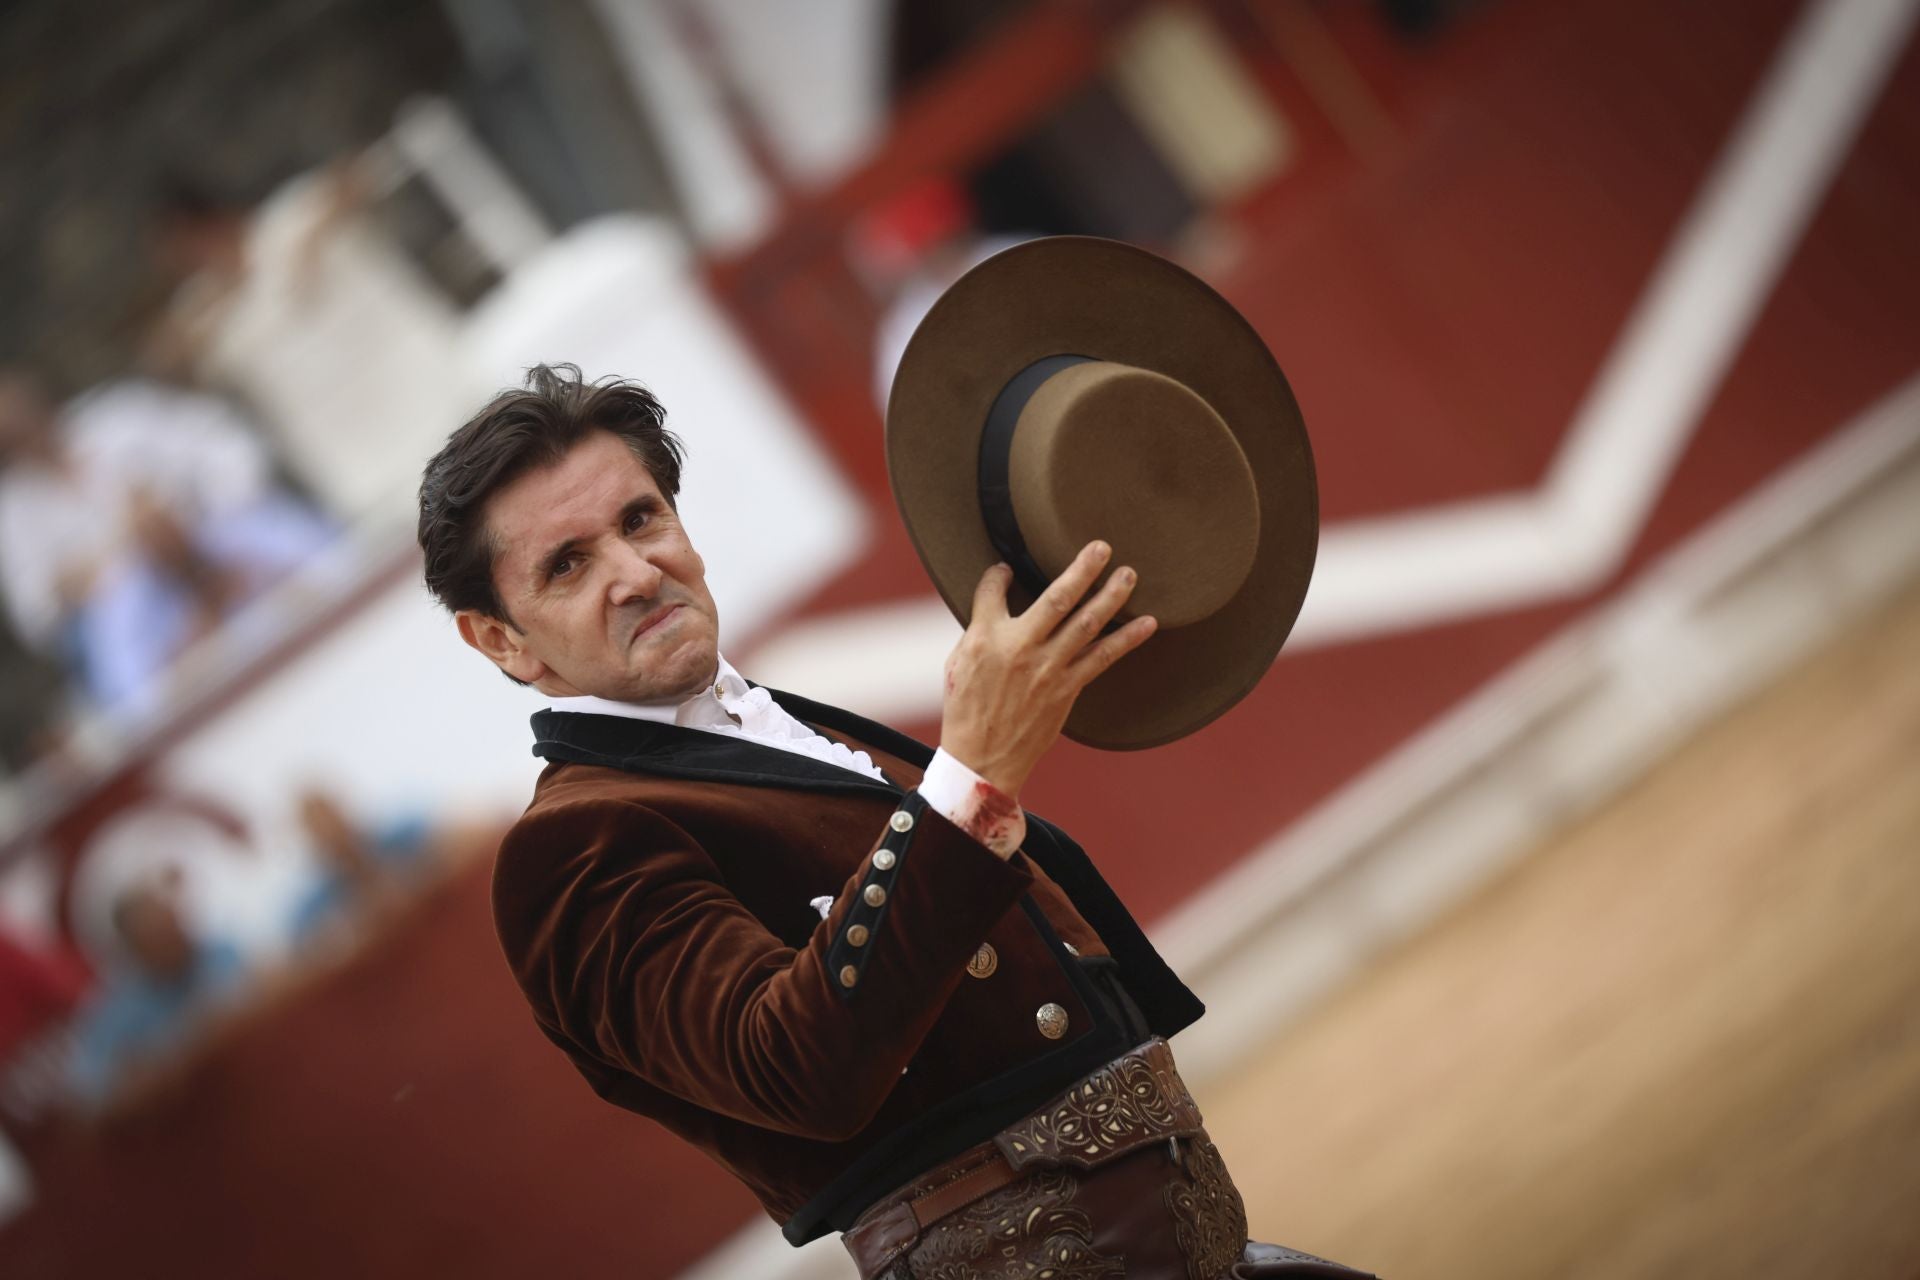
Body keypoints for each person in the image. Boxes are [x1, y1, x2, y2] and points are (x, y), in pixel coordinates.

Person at [419, 361, 1370, 1277]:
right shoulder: (567, 848)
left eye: (641, 519)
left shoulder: (764, 723)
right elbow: (795, 1068)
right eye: (569, 565)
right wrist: (968, 778)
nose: (634, 574)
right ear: (500, 639)